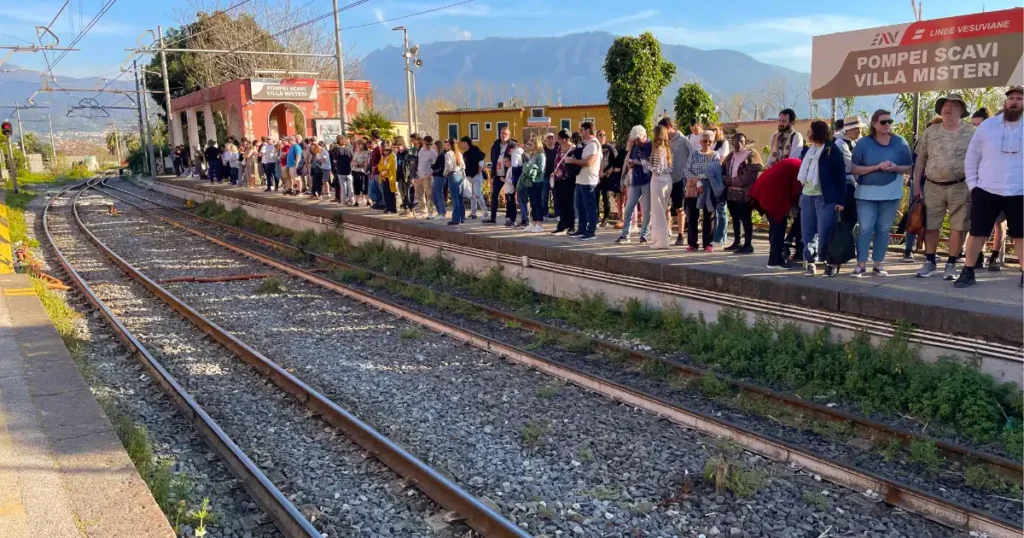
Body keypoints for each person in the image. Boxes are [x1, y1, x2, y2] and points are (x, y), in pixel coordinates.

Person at [955, 86, 1024, 289]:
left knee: (1021, 235)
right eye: (1010, 98)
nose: (1014, 101)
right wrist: (974, 186)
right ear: (1005, 102)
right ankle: (968, 271)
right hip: (986, 190)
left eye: (1019, 98)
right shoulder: (987, 126)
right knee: (977, 232)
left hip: (1019, 191)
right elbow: (972, 158)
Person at [913, 93, 976, 280]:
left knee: (959, 226)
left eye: (953, 105)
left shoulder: (972, 132)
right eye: (945, 105)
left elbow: (980, 159)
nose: (948, 108)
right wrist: (916, 184)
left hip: (960, 185)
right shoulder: (930, 132)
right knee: (931, 225)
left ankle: (951, 264)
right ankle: (930, 262)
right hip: (932, 185)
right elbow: (920, 160)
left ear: (961, 110)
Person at [850, 109, 913, 277]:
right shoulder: (863, 143)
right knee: (865, 228)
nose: (887, 125)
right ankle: (861, 263)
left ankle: (878, 264)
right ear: (874, 124)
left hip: (891, 193)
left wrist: (895, 167)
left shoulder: (900, 142)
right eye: (883, 122)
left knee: (883, 229)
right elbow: (854, 168)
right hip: (865, 194)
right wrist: (876, 167)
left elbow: (909, 167)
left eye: (890, 122)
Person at [797, 120, 848, 277]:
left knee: (825, 232)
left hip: (825, 198)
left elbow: (841, 177)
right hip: (807, 196)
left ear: (817, 132)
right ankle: (810, 262)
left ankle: (830, 263)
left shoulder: (832, 151)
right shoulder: (808, 151)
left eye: (810, 131)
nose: (808, 134)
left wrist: (840, 201)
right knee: (807, 232)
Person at [750, 158, 802, 269]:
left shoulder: (794, 162)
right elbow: (795, 192)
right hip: (773, 195)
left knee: (775, 227)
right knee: (779, 227)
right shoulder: (800, 168)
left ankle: (775, 257)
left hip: (763, 189)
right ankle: (775, 260)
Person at [721, 133, 762, 254]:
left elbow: (750, 176)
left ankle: (748, 244)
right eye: (736, 141)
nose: (738, 143)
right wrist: (725, 180)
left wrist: (732, 181)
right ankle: (737, 241)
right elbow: (723, 170)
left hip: (744, 194)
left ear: (745, 142)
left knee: (746, 219)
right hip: (731, 192)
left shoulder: (750, 155)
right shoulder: (730, 156)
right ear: (732, 142)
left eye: (741, 141)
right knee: (735, 218)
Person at [684, 130, 724, 251]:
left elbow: (715, 172)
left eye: (709, 141)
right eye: (704, 141)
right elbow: (686, 170)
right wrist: (697, 181)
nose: (706, 143)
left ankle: (708, 243)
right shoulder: (694, 154)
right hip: (694, 186)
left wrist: (702, 177)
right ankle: (692, 243)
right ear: (701, 141)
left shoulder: (715, 155)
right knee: (692, 215)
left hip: (709, 187)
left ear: (713, 142)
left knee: (709, 215)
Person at [657, 118, 693, 246]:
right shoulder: (665, 141)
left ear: (669, 126)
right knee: (666, 206)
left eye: (663, 129)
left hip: (680, 179)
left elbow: (693, 155)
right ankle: (667, 231)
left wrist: (687, 173)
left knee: (679, 207)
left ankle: (681, 234)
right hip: (667, 179)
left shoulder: (683, 140)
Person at [564, 121, 602, 241]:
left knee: (589, 207)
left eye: (582, 130)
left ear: (587, 130)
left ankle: (591, 232)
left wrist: (572, 161)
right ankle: (581, 229)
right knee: (580, 206)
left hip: (589, 180)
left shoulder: (593, 144)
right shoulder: (585, 144)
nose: (580, 132)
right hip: (581, 179)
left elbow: (589, 162)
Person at [615, 126, 652, 244]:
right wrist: (631, 164)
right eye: (634, 140)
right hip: (635, 181)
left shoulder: (651, 145)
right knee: (629, 208)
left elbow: (652, 163)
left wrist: (637, 162)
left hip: (647, 181)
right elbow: (631, 159)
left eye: (637, 140)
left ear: (643, 136)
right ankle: (625, 235)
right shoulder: (635, 147)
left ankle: (644, 235)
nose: (636, 142)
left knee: (646, 210)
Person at [647, 125, 674, 249]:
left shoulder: (657, 149)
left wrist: (646, 164)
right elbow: (670, 168)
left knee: (658, 213)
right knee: (662, 210)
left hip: (658, 181)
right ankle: (659, 239)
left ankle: (662, 241)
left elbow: (657, 170)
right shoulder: (667, 149)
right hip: (668, 180)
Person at [519, 136, 547, 232]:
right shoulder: (532, 155)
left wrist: (531, 169)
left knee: (537, 202)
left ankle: (539, 223)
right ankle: (534, 221)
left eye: (531, 144)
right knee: (532, 202)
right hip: (531, 181)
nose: (529, 146)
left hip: (538, 181)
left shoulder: (541, 155)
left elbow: (541, 169)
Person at [551, 130, 576, 234]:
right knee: (560, 202)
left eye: (560, 138)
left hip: (568, 179)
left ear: (565, 139)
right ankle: (562, 225)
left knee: (569, 203)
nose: (558, 140)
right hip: (557, 178)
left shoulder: (573, 149)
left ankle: (571, 225)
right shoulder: (558, 148)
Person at [485, 127, 512, 224]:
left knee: (509, 196)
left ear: (509, 135)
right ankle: (493, 218)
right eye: (502, 133)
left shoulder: (511, 145)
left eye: (505, 134)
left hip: (507, 174)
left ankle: (509, 217)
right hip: (497, 174)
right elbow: (493, 158)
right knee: (494, 196)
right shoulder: (496, 145)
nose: (503, 135)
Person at [597, 130, 620, 228]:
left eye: (604, 135)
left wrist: (607, 171)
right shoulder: (595, 147)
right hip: (596, 176)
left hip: (606, 176)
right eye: (600, 135)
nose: (602, 137)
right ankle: (596, 217)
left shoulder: (609, 147)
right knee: (595, 197)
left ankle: (606, 218)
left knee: (606, 197)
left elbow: (615, 160)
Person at [460, 136, 487, 219]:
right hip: (468, 177)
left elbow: (481, 159)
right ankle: (473, 213)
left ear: (466, 143)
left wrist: (479, 171)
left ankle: (485, 212)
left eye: (462, 143)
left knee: (478, 194)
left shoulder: (475, 149)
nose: (461, 145)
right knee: (472, 195)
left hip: (476, 176)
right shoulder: (465, 153)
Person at [416, 136, 437, 218]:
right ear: (424, 143)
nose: (429, 146)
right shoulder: (420, 150)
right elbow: (419, 162)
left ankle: (430, 212)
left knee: (429, 194)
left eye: (430, 144)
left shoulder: (433, 153)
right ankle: (423, 211)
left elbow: (435, 166)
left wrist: (430, 175)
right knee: (419, 194)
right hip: (419, 175)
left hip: (427, 176)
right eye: (427, 144)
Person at [377, 140, 399, 213]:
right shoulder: (383, 157)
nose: (385, 151)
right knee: (385, 193)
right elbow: (380, 166)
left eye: (387, 150)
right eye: (384, 150)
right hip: (383, 177)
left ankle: (392, 208)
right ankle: (388, 207)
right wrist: (382, 170)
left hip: (390, 177)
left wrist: (385, 170)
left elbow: (389, 165)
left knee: (391, 193)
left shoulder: (392, 156)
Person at [330, 136, 353, 204]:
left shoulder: (336, 150)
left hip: (340, 170)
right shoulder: (349, 149)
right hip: (348, 169)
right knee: (350, 185)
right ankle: (351, 199)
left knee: (343, 186)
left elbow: (334, 160)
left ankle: (344, 200)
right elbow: (352, 158)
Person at [394, 137, 411, 214]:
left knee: (407, 193)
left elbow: (409, 166)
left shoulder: (407, 153)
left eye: (398, 145)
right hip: (399, 175)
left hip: (406, 176)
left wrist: (410, 176)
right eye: (396, 146)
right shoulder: (398, 154)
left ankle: (408, 209)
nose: (397, 147)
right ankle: (405, 208)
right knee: (402, 193)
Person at [431, 139, 448, 220]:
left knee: (439, 195)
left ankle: (443, 213)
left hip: (440, 177)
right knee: (433, 196)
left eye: (434, 147)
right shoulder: (438, 156)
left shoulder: (441, 156)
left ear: (438, 147)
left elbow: (438, 167)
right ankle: (439, 212)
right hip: (436, 177)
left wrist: (433, 167)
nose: (433, 149)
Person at [542, 133, 558, 219]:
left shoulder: (557, 150)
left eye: (552, 138)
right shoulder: (543, 150)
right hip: (545, 175)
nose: (551, 140)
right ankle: (544, 213)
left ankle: (557, 213)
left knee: (556, 196)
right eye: (549, 138)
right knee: (544, 196)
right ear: (546, 140)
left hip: (555, 176)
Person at [368, 131, 384, 209]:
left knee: (380, 189)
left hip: (378, 171)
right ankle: (378, 202)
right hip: (374, 172)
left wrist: (376, 167)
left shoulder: (379, 149)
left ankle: (382, 203)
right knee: (375, 189)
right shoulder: (374, 150)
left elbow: (382, 159)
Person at [351, 139, 370, 206]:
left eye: (358, 145)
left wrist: (358, 164)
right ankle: (356, 201)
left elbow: (365, 164)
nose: (357, 146)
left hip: (363, 172)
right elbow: (352, 162)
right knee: (356, 186)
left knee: (364, 186)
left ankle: (368, 200)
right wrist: (355, 163)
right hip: (355, 171)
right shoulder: (355, 153)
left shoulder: (366, 153)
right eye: (357, 145)